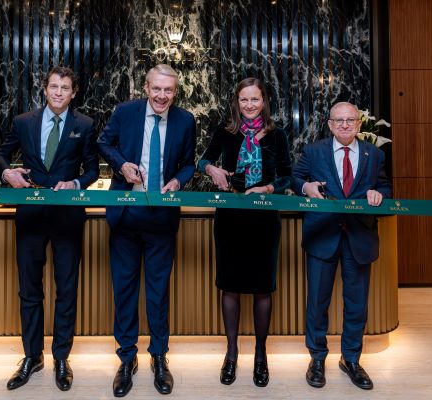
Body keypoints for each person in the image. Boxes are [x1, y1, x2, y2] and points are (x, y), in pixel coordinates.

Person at [0, 66, 98, 391]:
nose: (58, 92)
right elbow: (1, 154)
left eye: (65, 88)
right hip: (31, 215)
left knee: (66, 289)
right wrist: (8, 173)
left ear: (73, 93)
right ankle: (32, 356)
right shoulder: (23, 122)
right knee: (29, 289)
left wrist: (76, 183)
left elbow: (92, 169)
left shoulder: (85, 125)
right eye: (53, 86)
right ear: (45, 89)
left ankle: (62, 358)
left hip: (68, 216)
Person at [97, 64, 196, 397]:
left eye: (168, 90)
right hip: (126, 215)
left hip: (161, 219)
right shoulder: (126, 112)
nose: (162, 96)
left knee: (157, 293)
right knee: (124, 291)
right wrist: (121, 164)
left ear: (175, 92)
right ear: (146, 87)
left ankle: (158, 357)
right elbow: (103, 142)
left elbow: (189, 163)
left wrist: (178, 180)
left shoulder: (185, 120)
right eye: (157, 89)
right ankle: (127, 359)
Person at [197, 77, 292, 387]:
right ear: (236, 103)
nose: (249, 105)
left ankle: (261, 355)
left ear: (264, 102)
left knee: (263, 288)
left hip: (264, 218)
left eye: (255, 99)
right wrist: (211, 169)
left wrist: (268, 188)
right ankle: (232, 353)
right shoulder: (225, 131)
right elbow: (203, 160)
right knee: (230, 287)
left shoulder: (277, 135)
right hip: (230, 217)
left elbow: (287, 177)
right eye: (244, 100)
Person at [292, 101, 392, 390]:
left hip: (359, 238)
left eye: (350, 120)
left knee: (357, 305)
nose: (345, 125)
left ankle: (351, 359)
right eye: (339, 120)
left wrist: (379, 194)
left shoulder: (374, 154)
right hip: (322, 236)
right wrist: (306, 187)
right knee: (317, 303)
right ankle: (317, 359)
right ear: (330, 124)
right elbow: (295, 178)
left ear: (359, 124)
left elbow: (385, 187)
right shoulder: (314, 151)